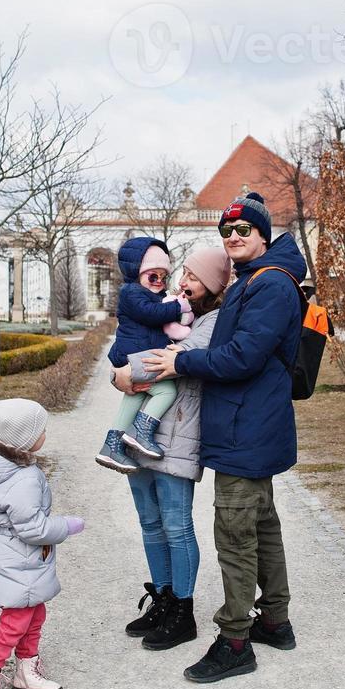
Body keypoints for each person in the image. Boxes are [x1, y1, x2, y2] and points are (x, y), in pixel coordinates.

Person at [142, 193, 304, 684]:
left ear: (263, 234)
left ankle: (235, 640)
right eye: (226, 231)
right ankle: (274, 621)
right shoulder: (255, 280)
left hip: (246, 428)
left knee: (234, 534)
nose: (234, 237)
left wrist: (180, 361)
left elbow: (241, 357)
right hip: (248, 425)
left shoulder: (270, 285)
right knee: (263, 526)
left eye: (244, 230)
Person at [112, 246, 232, 652]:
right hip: (140, 431)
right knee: (150, 522)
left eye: (193, 277)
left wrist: (125, 371)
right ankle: (163, 599)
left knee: (177, 525)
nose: (182, 283)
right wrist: (126, 370)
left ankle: (183, 611)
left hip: (178, 435)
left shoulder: (214, 319)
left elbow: (171, 360)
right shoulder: (175, 312)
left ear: (212, 284)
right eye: (183, 274)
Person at [0, 398, 85, 689]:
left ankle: (26, 671)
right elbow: (32, 528)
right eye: (40, 429)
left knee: (34, 612)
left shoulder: (3, 463)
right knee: (14, 621)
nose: (44, 433)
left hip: (15, 554)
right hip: (19, 555)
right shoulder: (23, 477)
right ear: (22, 439)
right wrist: (66, 526)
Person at [96, 237, 191, 472]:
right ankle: (140, 431)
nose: (159, 282)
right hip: (134, 354)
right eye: (153, 276)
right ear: (137, 273)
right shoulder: (131, 292)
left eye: (163, 276)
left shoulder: (151, 294)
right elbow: (151, 314)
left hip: (136, 355)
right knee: (166, 390)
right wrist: (179, 307)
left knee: (135, 395)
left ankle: (112, 445)